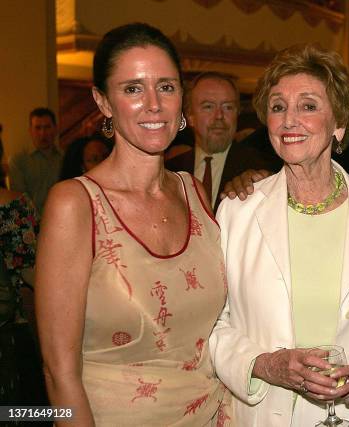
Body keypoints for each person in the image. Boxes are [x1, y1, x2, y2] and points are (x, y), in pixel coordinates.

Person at [209, 44, 349, 427]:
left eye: (307, 106)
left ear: (338, 123)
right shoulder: (238, 211)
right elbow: (213, 325)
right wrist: (264, 365)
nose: (289, 120)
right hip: (259, 415)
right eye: (277, 107)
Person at [35, 23, 231, 426]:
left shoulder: (194, 192)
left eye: (166, 86)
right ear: (103, 102)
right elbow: (59, 372)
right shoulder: (75, 204)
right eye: (132, 89)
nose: (154, 104)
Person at [165, 71, 274, 210]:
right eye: (208, 106)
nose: (219, 116)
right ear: (190, 116)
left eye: (228, 107)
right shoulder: (169, 171)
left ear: (237, 113)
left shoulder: (260, 170)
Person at [0, 136, 47, 406]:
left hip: (13, 334)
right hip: (15, 334)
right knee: (28, 412)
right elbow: (33, 274)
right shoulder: (16, 206)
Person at [8, 107, 62, 213]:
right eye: (38, 128)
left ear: (55, 129)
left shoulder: (65, 158)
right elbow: (19, 199)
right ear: (30, 131)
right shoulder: (18, 161)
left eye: (47, 127)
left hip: (62, 218)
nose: (43, 133)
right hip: (32, 221)